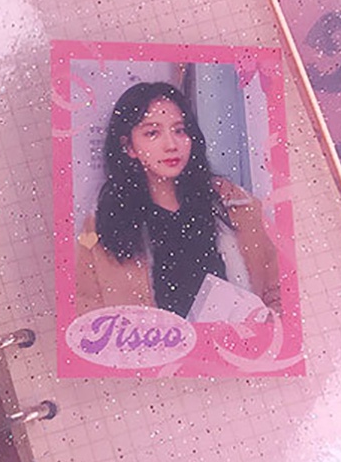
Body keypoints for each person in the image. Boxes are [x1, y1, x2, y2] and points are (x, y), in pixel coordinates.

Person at [75, 81, 280, 319]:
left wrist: (263, 327)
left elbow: (279, 293)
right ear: (128, 146)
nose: (171, 145)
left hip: (234, 342)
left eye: (179, 130)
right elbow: (86, 312)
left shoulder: (237, 207)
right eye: (152, 133)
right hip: (154, 344)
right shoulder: (102, 225)